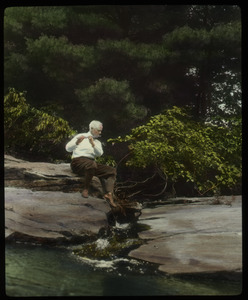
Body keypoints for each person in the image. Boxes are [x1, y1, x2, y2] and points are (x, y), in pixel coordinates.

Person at [65, 120, 117, 207]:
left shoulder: (97, 142)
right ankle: (86, 189)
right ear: (92, 129)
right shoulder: (80, 136)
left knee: (112, 171)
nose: (100, 132)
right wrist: (77, 143)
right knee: (92, 164)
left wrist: (93, 144)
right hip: (77, 162)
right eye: (98, 130)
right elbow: (67, 148)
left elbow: (99, 154)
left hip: (90, 163)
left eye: (101, 131)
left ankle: (109, 193)